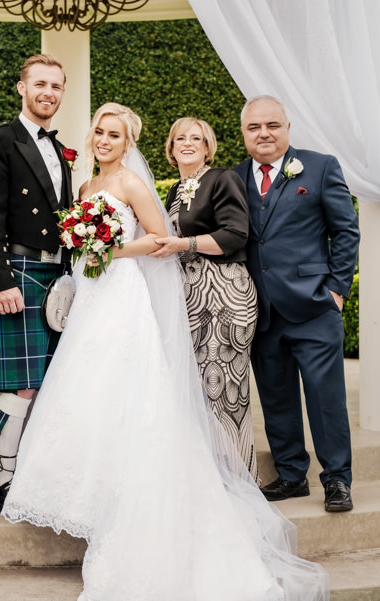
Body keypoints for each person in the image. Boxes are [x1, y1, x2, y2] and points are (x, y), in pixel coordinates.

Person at [2, 103, 329, 600]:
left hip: (122, 294)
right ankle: (96, 497)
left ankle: (132, 503)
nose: (104, 140)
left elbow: (161, 239)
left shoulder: (133, 183)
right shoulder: (85, 187)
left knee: (128, 392)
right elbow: (81, 246)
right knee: (87, 391)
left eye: (114, 134)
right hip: (91, 296)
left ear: (128, 141)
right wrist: (85, 250)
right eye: (99, 132)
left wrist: (108, 249)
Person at [232, 95, 360, 513]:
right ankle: (291, 475)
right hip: (261, 311)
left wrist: (337, 290)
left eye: (272, 125)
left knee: (326, 399)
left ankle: (337, 479)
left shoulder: (320, 167)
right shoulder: (233, 178)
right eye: (254, 127)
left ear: (287, 128)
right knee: (276, 397)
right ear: (244, 133)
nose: (263, 133)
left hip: (314, 307)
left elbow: (346, 231)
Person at [0, 54, 73, 511]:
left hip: (56, 274)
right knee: (19, 384)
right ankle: (3, 475)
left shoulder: (60, 147)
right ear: (21, 88)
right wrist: (1, 281)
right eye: (40, 84)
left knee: (46, 381)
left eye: (56, 86)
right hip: (20, 272)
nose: (48, 93)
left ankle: (30, 467)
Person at [151, 117, 259, 482]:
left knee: (226, 389)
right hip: (192, 296)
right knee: (199, 389)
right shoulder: (175, 190)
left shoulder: (222, 179)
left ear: (207, 147)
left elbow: (236, 234)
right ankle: (209, 477)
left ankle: (238, 479)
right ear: (170, 148)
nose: (187, 143)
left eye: (195, 138)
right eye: (179, 138)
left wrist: (184, 244)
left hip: (224, 292)